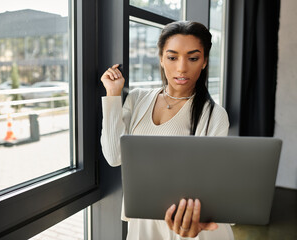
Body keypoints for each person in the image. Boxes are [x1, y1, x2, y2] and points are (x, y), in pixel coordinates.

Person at [100, 21, 234, 240]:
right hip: (144, 222)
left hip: (188, 225)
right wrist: (113, 94)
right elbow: (114, 157)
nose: (182, 68)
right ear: (161, 59)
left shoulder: (214, 115)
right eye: (172, 57)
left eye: (193, 58)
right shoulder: (138, 99)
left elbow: (211, 184)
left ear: (204, 61)